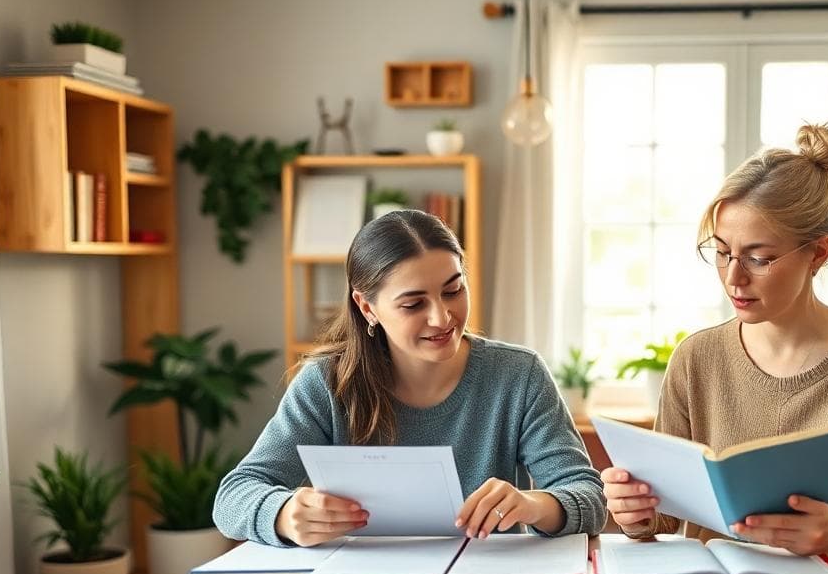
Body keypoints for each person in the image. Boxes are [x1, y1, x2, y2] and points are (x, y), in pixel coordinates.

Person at [602, 124, 828, 563]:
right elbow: (662, 518)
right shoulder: (695, 359)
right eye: (722, 252)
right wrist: (635, 511)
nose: (733, 277)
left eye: (759, 258)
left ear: (819, 253)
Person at [215, 210, 606, 546]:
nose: (442, 317)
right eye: (414, 303)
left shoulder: (518, 376)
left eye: (453, 291)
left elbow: (588, 496)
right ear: (367, 306)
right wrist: (283, 514)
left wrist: (535, 505)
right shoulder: (327, 383)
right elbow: (233, 497)